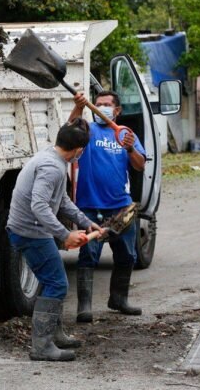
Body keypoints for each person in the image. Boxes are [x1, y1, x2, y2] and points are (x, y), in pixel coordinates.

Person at [6, 119, 105, 362]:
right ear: (78, 150)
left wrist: (84, 222)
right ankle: (42, 346)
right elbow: (38, 205)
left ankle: (54, 335)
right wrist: (64, 234)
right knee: (57, 284)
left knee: (54, 280)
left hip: (30, 230)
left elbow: (61, 200)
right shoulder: (52, 167)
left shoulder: (53, 158)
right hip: (30, 232)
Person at [69, 90, 146, 323]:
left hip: (121, 207)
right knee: (88, 255)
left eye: (107, 105)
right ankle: (84, 307)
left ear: (117, 110)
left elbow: (140, 166)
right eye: (98, 104)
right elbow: (69, 132)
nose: (101, 108)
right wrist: (79, 107)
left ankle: (119, 300)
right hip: (89, 206)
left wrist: (131, 148)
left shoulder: (125, 134)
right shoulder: (88, 131)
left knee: (127, 255)